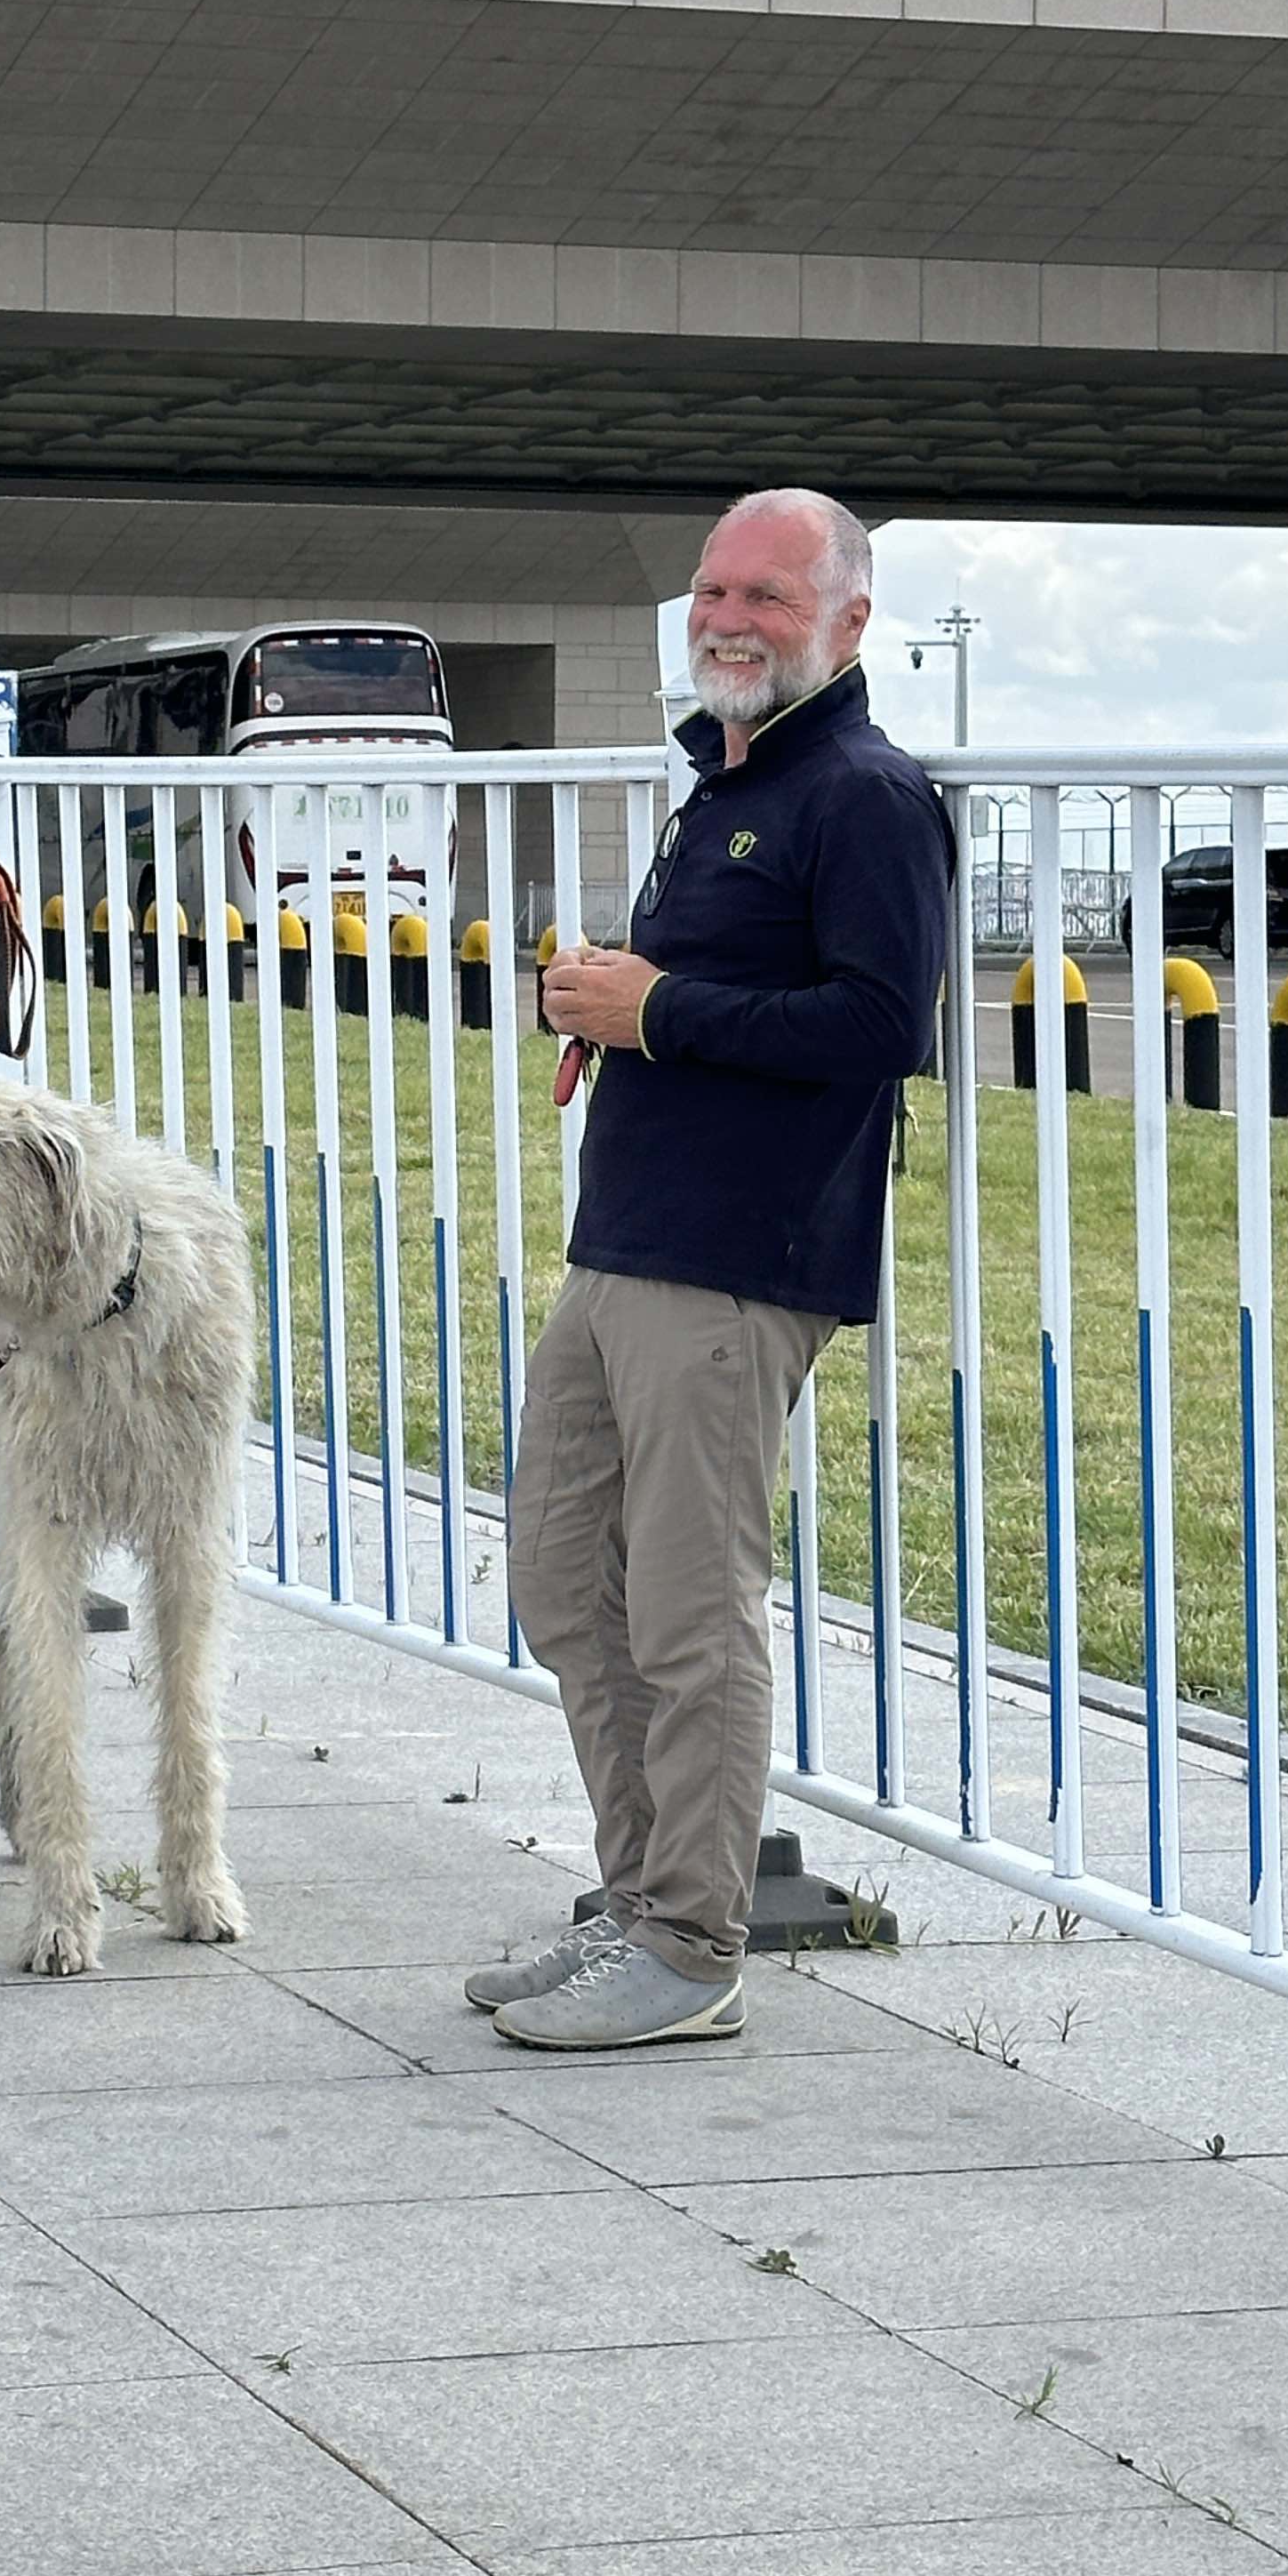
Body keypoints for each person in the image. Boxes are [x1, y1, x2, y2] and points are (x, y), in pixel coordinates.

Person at [477, 487, 952, 2052]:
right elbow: (697, 995)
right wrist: (608, 1003)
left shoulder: (866, 796)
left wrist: (660, 1010)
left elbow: (881, 1027)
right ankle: (637, 1907)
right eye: (714, 589)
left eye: (768, 595)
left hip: (741, 1261)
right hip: (626, 1239)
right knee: (565, 1581)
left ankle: (694, 1942)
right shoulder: (721, 782)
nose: (730, 619)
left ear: (849, 622)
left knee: (689, 1611)